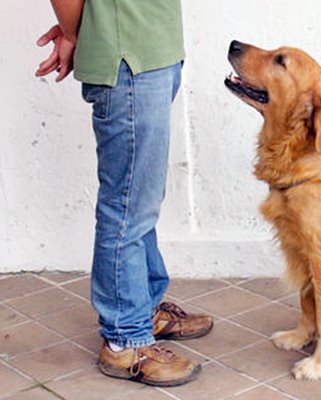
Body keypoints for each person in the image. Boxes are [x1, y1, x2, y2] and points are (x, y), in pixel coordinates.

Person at [35, 0, 213, 387]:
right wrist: (75, 33)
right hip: (127, 62)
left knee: (141, 200)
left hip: (154, 53)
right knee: (128, 207)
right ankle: (125, 341)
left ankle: (144, 308)